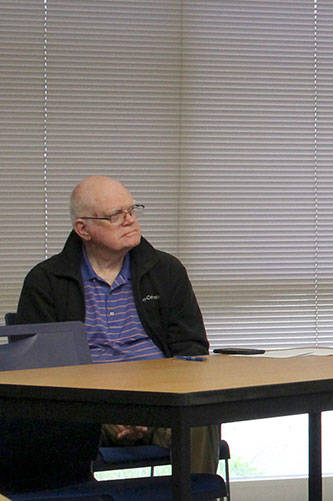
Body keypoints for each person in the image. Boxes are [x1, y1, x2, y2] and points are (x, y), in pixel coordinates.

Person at [15, 176, 220, 476]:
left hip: (162, 404)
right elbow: (39, 370)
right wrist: (102, 412)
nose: (129, 220)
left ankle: (197, 493)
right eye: (115, 215)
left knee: (201, 414)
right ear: (83, 229)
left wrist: (153, 406)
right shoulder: (46, 281)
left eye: (132, 210)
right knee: (47, 423)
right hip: (86, 412)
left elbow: (192, 348)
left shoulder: (166, 271)